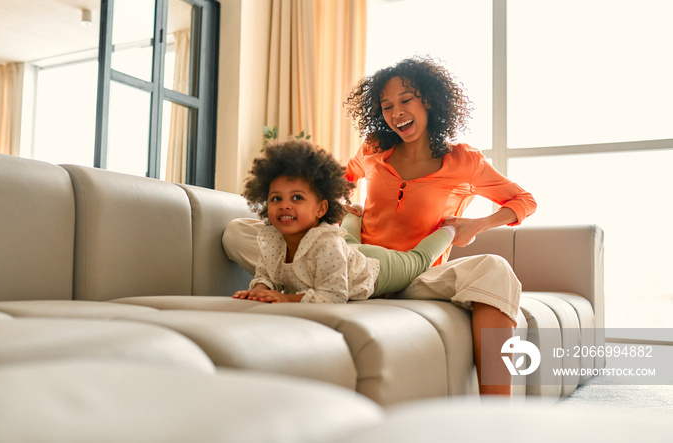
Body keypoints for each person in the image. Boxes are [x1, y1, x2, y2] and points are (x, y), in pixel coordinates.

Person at [223, 56, 536, 395]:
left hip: (417, 276)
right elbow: (340, 180)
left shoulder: (464, 162)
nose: (396, 112)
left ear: (428, 101)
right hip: (350, 265)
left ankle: (497, 412)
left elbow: (524, 201)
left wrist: (475, 225)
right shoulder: (374, 148)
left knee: (495, 269)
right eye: (387, 106)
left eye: (405, 101)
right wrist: (340, 209)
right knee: (237, 230)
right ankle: (322, 286)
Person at [232, 138, 455, 304]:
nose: (285, 205)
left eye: (297, 197)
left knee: (417, 260)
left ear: (321, 208)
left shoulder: (327, 243)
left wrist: (286, 299)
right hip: (347, 253)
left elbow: (333, 295)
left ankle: (452, 229)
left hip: (375, 268)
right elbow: (266, 275)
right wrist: (258, 290)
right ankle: (354, 214)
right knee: (348, 242)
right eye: (276, 198)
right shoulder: (271, 238)